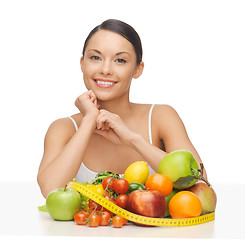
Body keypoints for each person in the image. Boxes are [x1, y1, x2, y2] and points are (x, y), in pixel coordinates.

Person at [37, 19, 207, 198]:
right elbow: (50, 190)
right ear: (82, 63)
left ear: (137, 69)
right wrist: (88, 121)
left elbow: (199, 184)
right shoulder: (63, 128)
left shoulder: (161, 117)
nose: (105, 69)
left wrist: (132, 139)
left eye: (120, 60)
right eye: (95, 57)